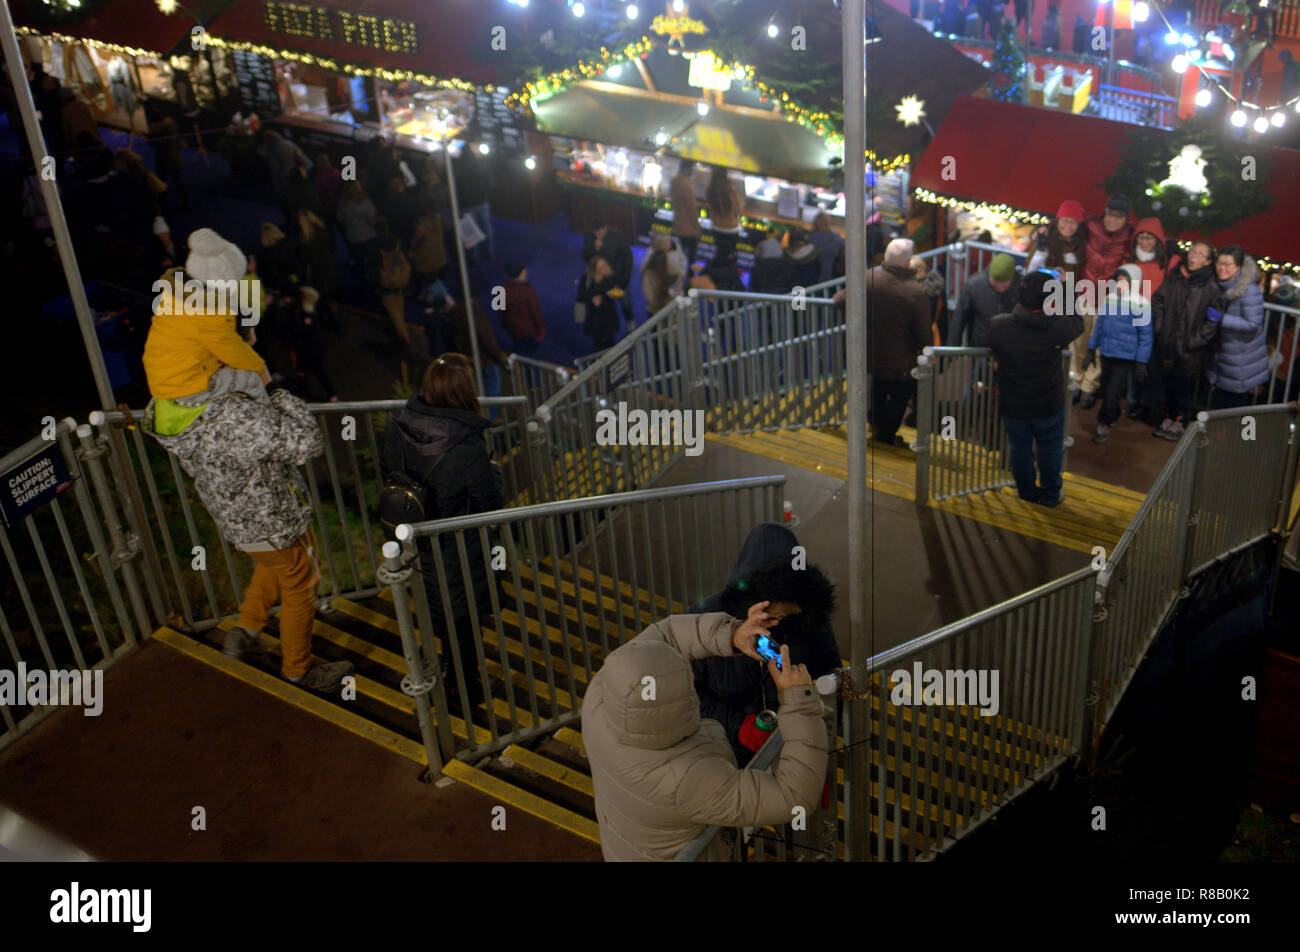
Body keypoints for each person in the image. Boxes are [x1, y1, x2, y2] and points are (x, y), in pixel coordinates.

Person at [142, 362, 352, 692]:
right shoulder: (233, 411)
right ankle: (297, 670)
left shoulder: (178, 406)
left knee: (277, 564)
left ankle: (246, 629)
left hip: (240, 519)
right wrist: (273, 391)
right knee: (300, 582)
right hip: (272, 515)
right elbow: (307, 443)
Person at [582, 602, 828, 861]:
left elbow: (667, 635)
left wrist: (731, 635)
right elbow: (793, 796)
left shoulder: (598, 695)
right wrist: (799, 701)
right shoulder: (687, 779)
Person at [380, 354, 503, 712]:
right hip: (459, 551)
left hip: (414, 544)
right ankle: (464, 692)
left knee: (440, 611)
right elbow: (490, 503)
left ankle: (444, 669)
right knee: (464, 621)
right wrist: (492, 470)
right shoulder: (466, 446)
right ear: (464, 392)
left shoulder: (399, 426)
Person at [691, 522, 839, 766]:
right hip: (722, 754)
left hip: (791, 746)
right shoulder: (705, 622)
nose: (777, 624)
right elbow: (685, 694)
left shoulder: (811, 619)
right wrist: (739, 727)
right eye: (769, 615)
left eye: (787, 615)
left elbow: (830, 673)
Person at [986, 268, 1083, 506]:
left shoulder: (999, 326)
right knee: (1050, 447)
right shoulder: (1057, 328)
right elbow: (1077, 322)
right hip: (1047, 402)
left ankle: (1026, 493)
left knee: (1019, 449)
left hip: (1013, 402)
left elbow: (986, 343)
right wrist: (1066, 287)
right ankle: (1050, 495)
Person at [142, 228, 268, 401]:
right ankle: (270, 419)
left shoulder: (177, 298)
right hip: (182, 385)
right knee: (250, 379)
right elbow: (233, 350)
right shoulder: (207, 315)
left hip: (166, 377)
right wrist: (263, 373)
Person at [1150, 241, 1219, 440]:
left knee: (1185, 387)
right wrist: (1161, 328)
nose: (1193, 257)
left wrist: (1195, 341)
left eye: (1199, 254)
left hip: (1190, 349)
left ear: (1207, 261)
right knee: (1169, 382)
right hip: (1169, 342)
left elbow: (1212, 321)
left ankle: (1179, 420)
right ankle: (1167, 417)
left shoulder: (1212, 287)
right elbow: (1158, 301)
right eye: (1192, 252)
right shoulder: (1176, 276)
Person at [1078, 195, 1136, 409]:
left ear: (1125, 219)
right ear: (1105, 213)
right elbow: (1069, 231)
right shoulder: (1090, 225)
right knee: (1078, 341)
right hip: (1083, 292)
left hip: (1108, 300)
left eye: (1118, 217)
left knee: (1100, 346)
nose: (1113, 220)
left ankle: (1088, 386)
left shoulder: (1129, 236)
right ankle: (1074, 381)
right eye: (1110, 215)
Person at [1084, 264, 1152, 443]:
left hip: (1125, 357)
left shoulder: (1141, 303)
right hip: (1107, 353)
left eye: (1125, 282)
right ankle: (1112, 415)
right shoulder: (1109, 299)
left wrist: (1141, 361)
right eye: (1119, 281)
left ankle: (1104, 422)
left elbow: (1145, 335)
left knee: (1112, 392)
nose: (1121, 285)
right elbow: (1098, 326)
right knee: (1106, 389)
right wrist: (1091, 349)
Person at [1205, 244, 1267, 410]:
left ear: (1238, 266)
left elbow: (1253, 323)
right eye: (1219, 263)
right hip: (1226, 355)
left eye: (1227, 264)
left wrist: (1222, 319)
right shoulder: (1221, 284)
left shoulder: (1249, 290)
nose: (1221, 268)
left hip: (1242, 359)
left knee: (1233, 409)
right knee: (1218, 406)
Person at [950, 252, 1020, 348]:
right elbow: (959, 320)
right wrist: (950, 352)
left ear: (1012, 279)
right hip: (980, 346)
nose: (999, 287)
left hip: (1009, 348)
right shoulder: (974, 286)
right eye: (995, 283)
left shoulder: (1020, 287)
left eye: (1004, 285)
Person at [581, 219, 634, 329]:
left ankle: (630, 321)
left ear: (605, 228)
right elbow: (585, 256)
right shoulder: (591, 238)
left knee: (625, 302)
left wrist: (625, 281)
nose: (597, 235)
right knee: (605, 303)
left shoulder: (618, 237)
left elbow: (628, 260)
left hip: (617, 280)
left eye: (599, 232)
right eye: (595, 232)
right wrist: (595, 248)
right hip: (601, 281)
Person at [577, 253, 622, 351]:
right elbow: (581, 295)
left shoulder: (611, 277)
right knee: (598, 343)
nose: (604, 268)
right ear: (595, 269)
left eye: (605, 265)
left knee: (610, 342)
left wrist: (606, 297)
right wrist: (591, 299)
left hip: (608, 315)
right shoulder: (587, 278)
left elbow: (618, 292)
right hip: (595, 317)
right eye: (601, 267)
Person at [501, 261, 545, 357]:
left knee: (521, 354)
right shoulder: (527, 290)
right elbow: (535, 311)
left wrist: (507, 326)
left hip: (514, 332)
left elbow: (501, 313)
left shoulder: (501, 291)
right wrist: (541, 329)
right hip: (530, 332)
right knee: (533, 357)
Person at [640, 233, 685, 319]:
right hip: (657, 309)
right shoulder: (650, 274)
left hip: (671, 307)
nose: (669, 243)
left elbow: (682, 264)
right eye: (667, 241)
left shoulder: (676, 250)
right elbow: (650, 295)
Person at [705, 166, 743, 260]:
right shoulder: (732, 192)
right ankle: (728, 271)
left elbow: (711, 211)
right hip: (732, 228)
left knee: (720, 253)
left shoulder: (710, 191)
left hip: (717, 227)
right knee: (730, 254)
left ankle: (717, 270)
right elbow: (739, 211)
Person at [669, 159, 701, 266]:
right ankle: (689, 275)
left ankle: (679, 272)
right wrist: (696, 226)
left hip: (678, 222)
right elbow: (691, 209)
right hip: (689, 227)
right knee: (691, 257)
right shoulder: (687, 185)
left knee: (680, 252)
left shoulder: (674, 180)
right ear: (687, 169)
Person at [808, 213, 844, 285]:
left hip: (813, 276)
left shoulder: (811, 238)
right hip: (834, 276)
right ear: (828, 223)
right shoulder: (835, 237)